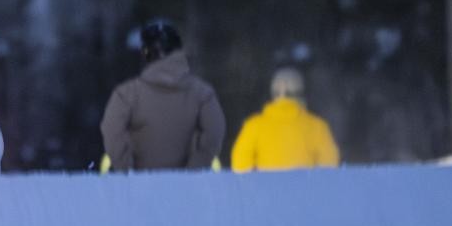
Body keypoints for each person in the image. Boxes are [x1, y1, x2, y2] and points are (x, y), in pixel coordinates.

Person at [99, 19, 226, 172]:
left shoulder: (126, 94)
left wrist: (126, 170)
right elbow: (214, 132)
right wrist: (194, 172)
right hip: (189, 191)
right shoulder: (203, 93)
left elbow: (112, 132)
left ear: (145, 53)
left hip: (140, 189)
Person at [230, 66, 340, 171]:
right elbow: (329, 164)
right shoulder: (317, 126)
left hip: (265, 189)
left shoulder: (253, 126)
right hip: (306, 189)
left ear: (273, 93)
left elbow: (240, 165)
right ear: (301, 92)